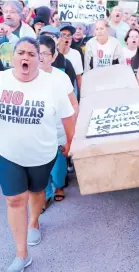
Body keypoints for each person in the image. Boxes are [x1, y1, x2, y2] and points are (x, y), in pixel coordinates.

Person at [0, 37, 75, 272]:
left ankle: (34, 221)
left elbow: (68, 116)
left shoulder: (53, 85)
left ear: (39, 59)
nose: (25, 58)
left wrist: (69, 142)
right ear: (12, 57)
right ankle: (21, 255)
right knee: (14, 200)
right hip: (8, 153)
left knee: (37, 191)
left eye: (31, 54)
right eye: (20, 53)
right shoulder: (1, 81)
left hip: (43, 154)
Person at [38, 35, 79, 211]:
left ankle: (59, 185)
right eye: (37, 53)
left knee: (59, 164)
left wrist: (73, 131)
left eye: (45, 54)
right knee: (40, 166)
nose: (41, 57)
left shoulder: (61, 77)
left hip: (59, 130)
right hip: (37, 133)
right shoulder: (26, 77)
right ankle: (45, 194)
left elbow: (73, 104)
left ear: (54, 57)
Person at [40, 25, 76, 89]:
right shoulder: (32, 60)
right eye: (45, 37)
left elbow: (71, 90)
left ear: (58, 40)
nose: (47, 40)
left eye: (52, 37)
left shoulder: (65, 63)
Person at [58, 25, 83, 95]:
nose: (67, 38)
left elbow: (79, 78)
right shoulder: (52, 53)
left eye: (69, 35)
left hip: (70, 92)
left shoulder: (76, 54)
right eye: (63, 35)